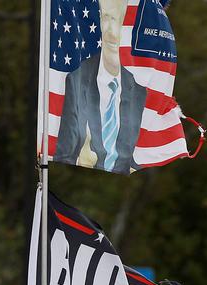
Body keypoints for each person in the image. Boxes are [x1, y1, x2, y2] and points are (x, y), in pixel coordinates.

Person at [53, 0, 147, 173]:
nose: (112, 31)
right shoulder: (77, 78)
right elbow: (64, 153)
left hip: (125, 191)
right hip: (79, 182)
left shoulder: (140, 91)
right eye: (107, 18)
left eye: (118, 21)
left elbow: (141, 159)